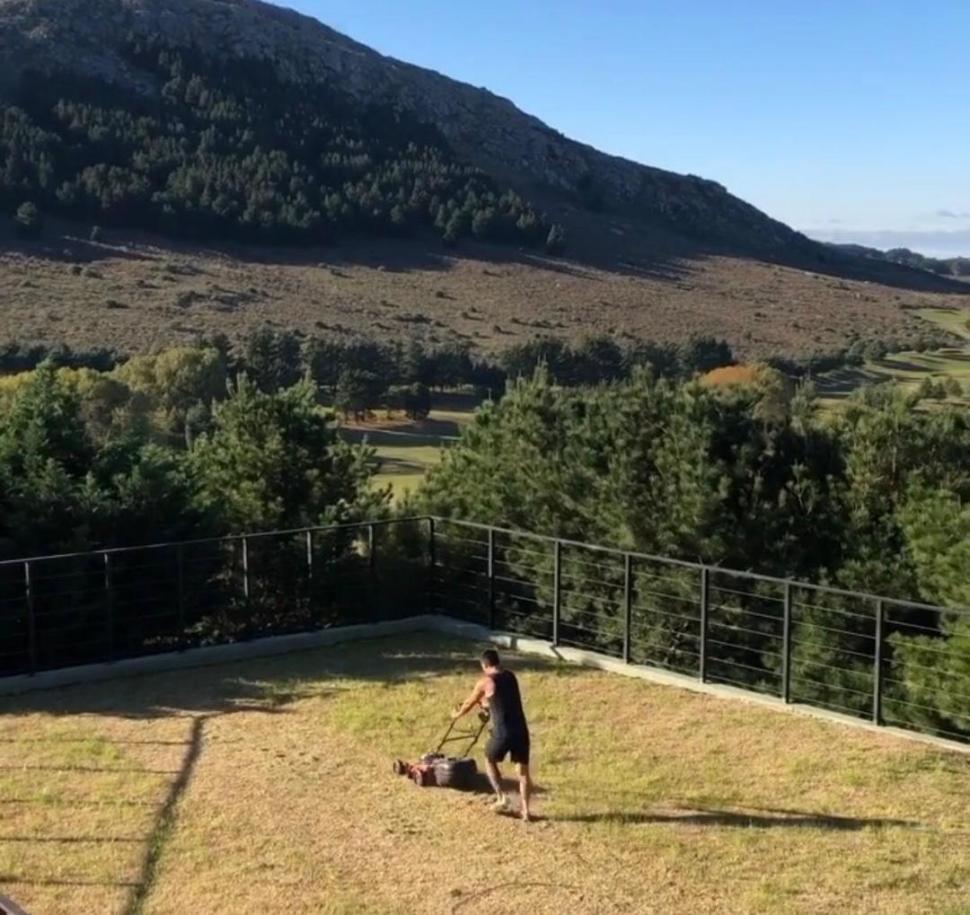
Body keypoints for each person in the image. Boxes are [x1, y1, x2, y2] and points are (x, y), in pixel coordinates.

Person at [452, 648, 532, 821]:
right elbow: (502, 700)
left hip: (503, 732)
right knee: (523, 773)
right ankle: (526, 812)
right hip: (521, 730)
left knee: (489, 758)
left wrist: (457, 714)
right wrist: (486, 705)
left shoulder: (486, 681)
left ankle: (501, 797)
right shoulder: (511, 676)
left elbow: (468, 703)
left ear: (484, 665)